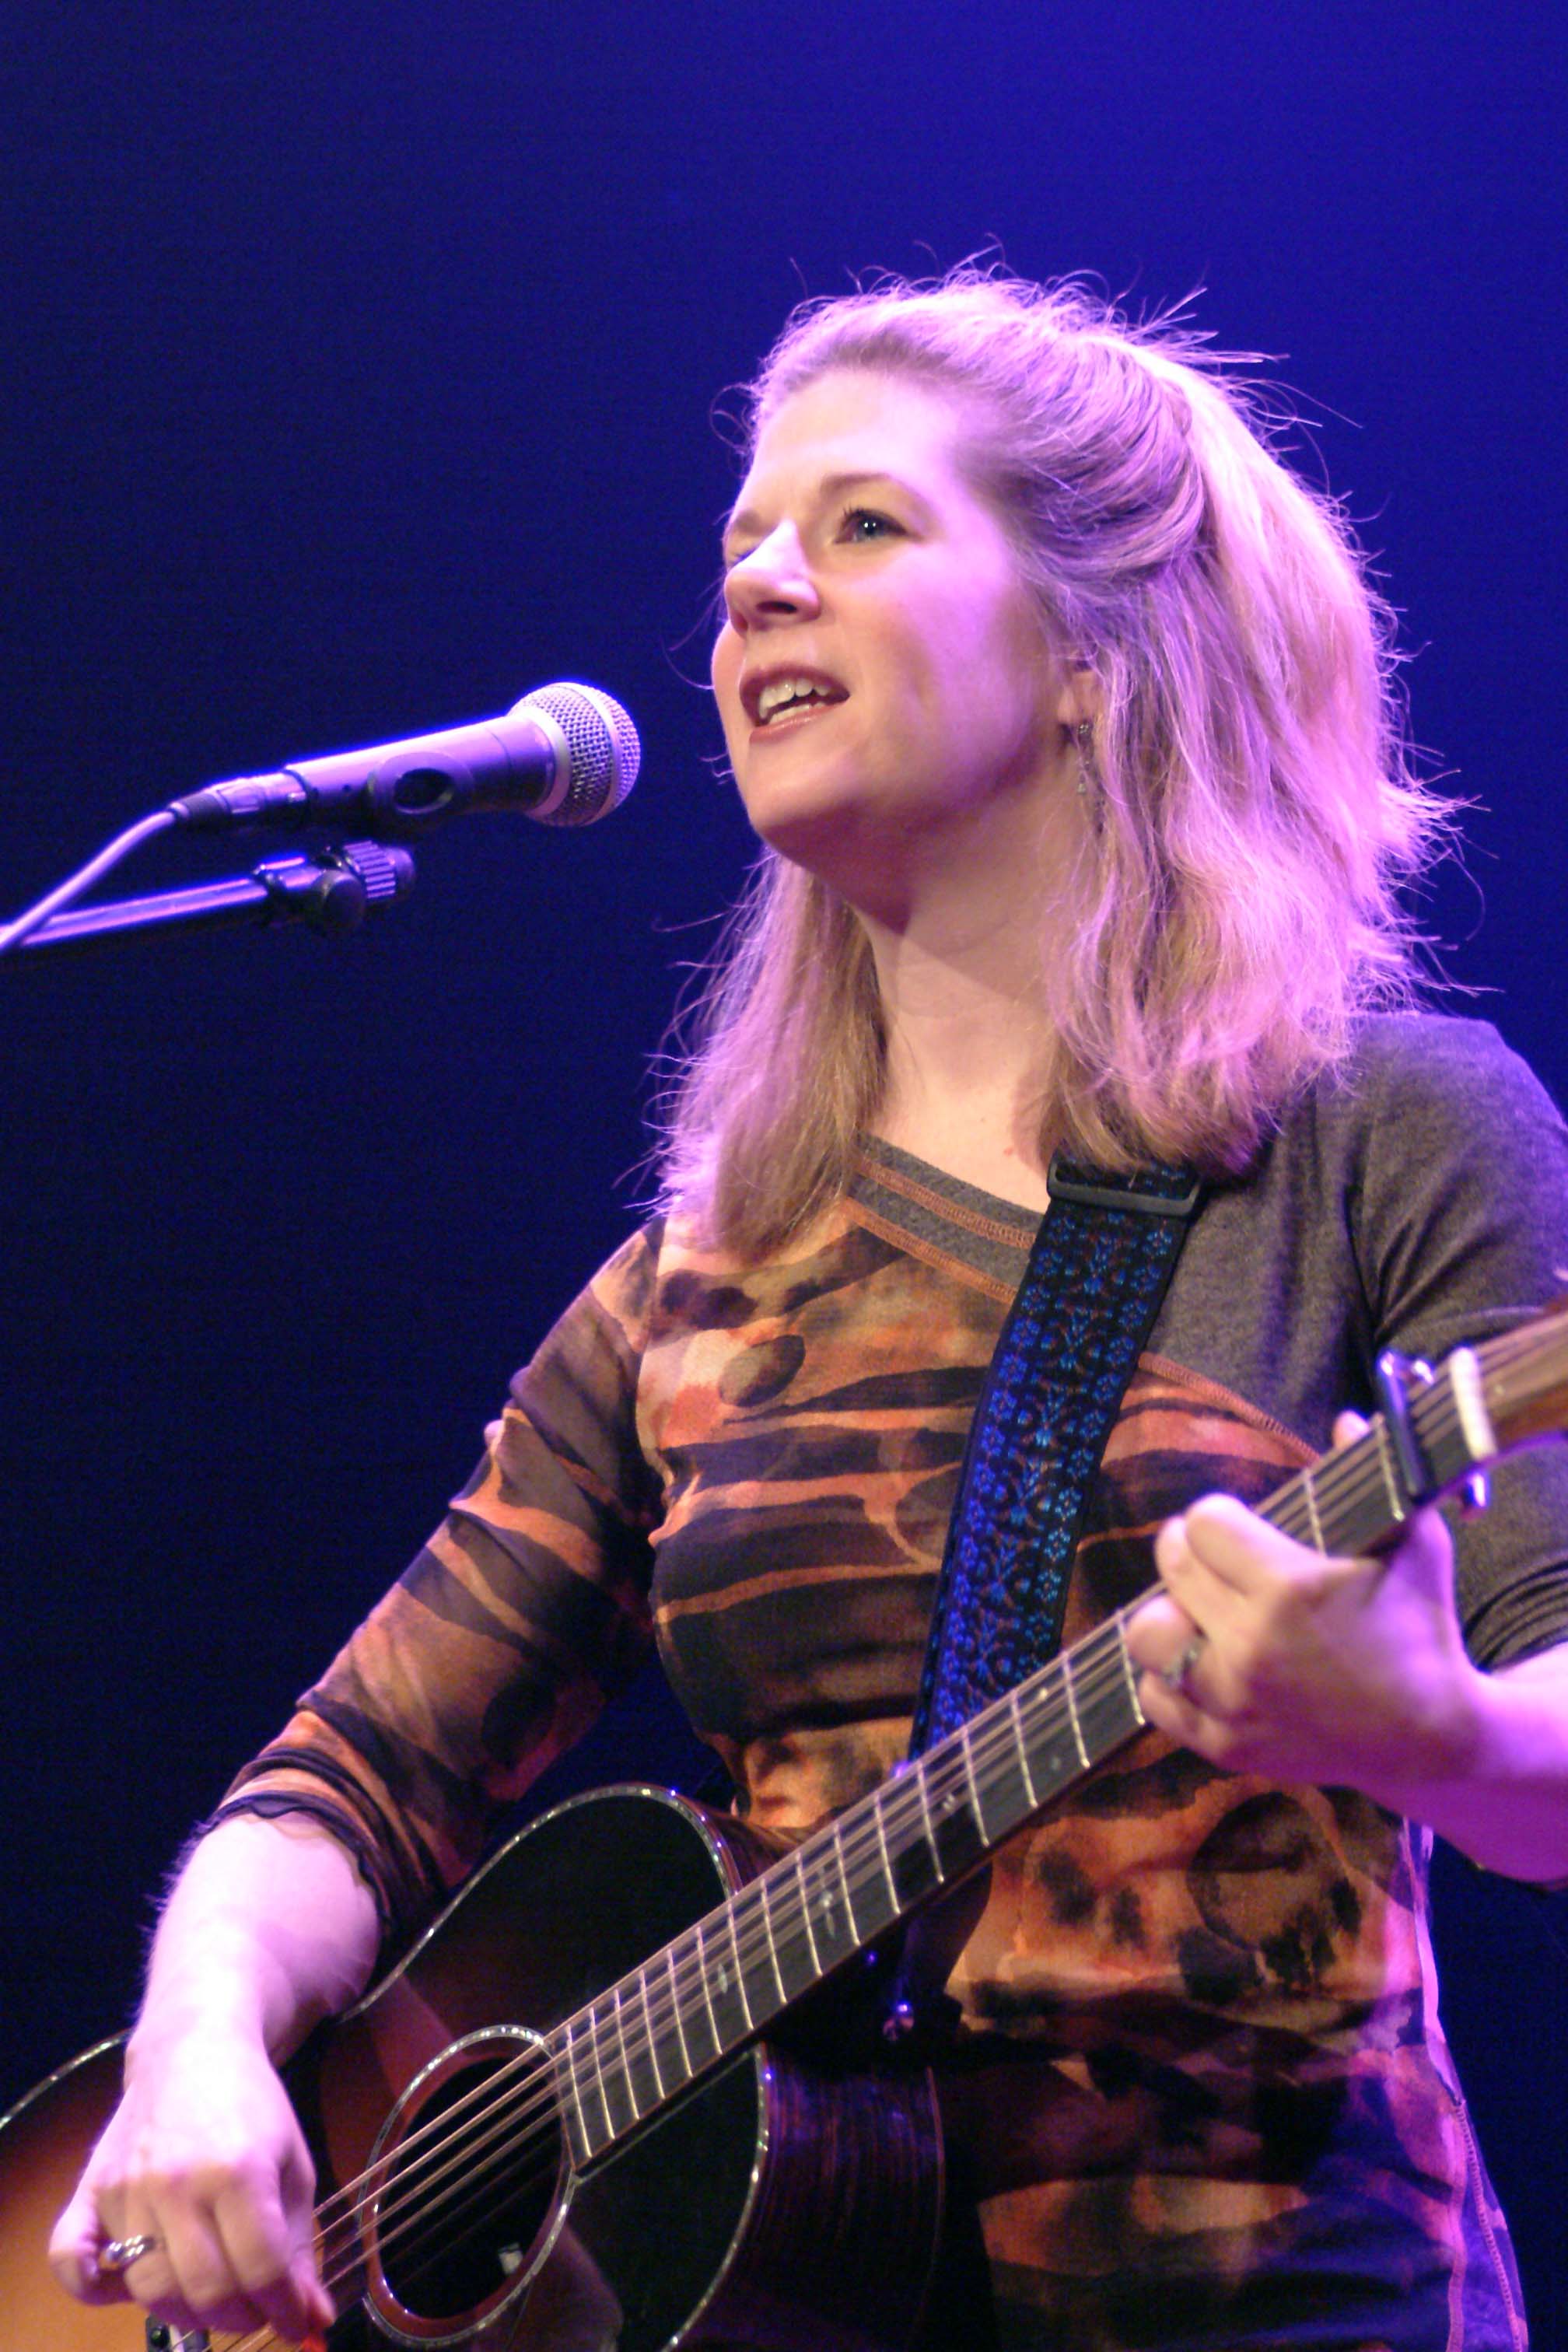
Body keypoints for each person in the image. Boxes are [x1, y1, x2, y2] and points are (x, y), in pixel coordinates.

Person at [50, 272, 1568, 2350]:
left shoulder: (1382, 1134)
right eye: (746, 544)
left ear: (1093, 660)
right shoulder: (690, 1285)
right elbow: (363, 1771)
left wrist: (1433, 1731)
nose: (762, 582)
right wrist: (197, 2044)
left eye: (862, 525)